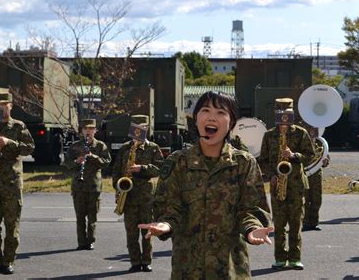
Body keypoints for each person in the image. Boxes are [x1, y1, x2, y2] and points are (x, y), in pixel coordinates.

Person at [139, 91, 273, 279]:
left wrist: (252, 228)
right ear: (196, 119)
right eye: (205, 110)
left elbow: (252, 208)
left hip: (231, 269)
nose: (212, 117)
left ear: (231, 123)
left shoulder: (244, 163)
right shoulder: (178, 162)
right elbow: (168, 206)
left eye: (220, 112)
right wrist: (166, 223)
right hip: (188, 269)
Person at [0, 92, 35, 275]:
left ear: (11, 106)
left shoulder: (18, 126)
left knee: (12, 225)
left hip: (11, 183)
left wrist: (9, 141)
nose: (2, 107)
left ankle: (8, 261)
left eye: (5, 104)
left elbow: (29, 148)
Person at [259, 98, 316, 270]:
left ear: (291, 115)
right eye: (280, 114)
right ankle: (280, 258)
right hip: (278, 185)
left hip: (297, 185)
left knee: (296, 223)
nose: (284, 118)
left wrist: (294, 155)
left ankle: (294, 258)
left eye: (287, 114)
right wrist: (271, 175)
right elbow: (263, 160)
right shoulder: (269, 135)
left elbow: (310, 156)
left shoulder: (300, 133)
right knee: (279, 223)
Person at [112, 115, 163, 273]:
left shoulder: (153, 148)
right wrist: (119, 188)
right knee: (131, 233)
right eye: (136, 128)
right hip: (129, 197)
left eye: (142, 128)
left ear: (146, 129)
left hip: (146, 197)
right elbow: (116, 171)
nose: (139, 131)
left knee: (147, 231)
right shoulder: (125, 148)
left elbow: (160, 169)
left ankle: (146, 261)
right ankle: (135, 261)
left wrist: (141, 168)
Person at [64, 119, 111, 251]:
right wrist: (76, 161)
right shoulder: (75, 146)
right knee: (80, 217)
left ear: (95, 131)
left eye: (91, 129)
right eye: (86, 129)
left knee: (92, 216)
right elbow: (66, 164)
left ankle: (90, 241)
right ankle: (81, 241)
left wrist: (93, 157)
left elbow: (107, 162)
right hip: (78, 186)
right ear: (82, 131)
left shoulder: (100, 146)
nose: (88, 131)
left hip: (93, 186)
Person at [302, 126, 329, 231]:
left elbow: (326, 160)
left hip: (316, 176)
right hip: (306, 175)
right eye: (311, 132)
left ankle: (314, 222)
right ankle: (305, 222)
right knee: (306, 200)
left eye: (314, 132)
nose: (313, 134)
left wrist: (326, 162)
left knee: (317, 199)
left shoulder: (320, 145)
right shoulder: (303, 145)